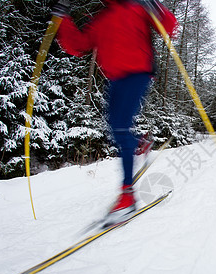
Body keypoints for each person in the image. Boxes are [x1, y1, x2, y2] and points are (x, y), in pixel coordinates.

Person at [52, 0, 178, 223]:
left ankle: (128, 195)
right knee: (114, 129)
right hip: (115, 79)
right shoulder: (102, 18)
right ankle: (139, 143)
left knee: (120, 127)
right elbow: (78, 45)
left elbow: (169, 26)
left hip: (138, 73)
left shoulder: (137, 6)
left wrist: (154, 7)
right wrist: (63, 20)